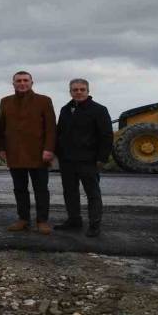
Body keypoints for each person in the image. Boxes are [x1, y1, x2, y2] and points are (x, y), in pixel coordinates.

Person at [0, 71, 56, 235]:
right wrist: (1, 148)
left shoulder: (44, 101)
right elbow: (1, 128)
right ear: (13, 83)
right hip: (14, 152)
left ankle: (42, 221)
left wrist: (49, 149)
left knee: (41, 189)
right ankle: (23, 219)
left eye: (25, 80)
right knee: (19, 189)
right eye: (18, 81)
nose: (22, 83)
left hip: (39, 153)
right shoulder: (5, 101)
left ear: (31, 83)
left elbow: (51, 128)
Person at [54, 78, 112, 238]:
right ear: (70, 92)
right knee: (70, 192)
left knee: (92, 193)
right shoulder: (65, 109)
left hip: (89, 160)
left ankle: (94, 224)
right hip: (67, 160)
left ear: (88, 91)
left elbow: (106, 136)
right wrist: (58, 153)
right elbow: (59, 133)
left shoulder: (99, 110)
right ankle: (74, 220)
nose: (78, 92)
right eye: (75, 90)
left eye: (82, 89)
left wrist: (102, 158)